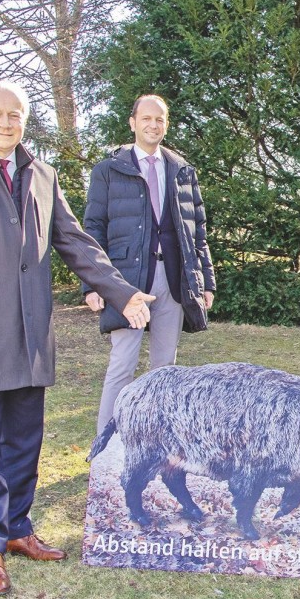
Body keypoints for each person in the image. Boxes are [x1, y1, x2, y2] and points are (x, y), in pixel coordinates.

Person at [0, 80, 155, 595]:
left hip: (32, 336)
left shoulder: (43, 175)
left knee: (25, 441)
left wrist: (122, 293)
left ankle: (18, 529)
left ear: (25, 120)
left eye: (15, 115)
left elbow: (76, 243)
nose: (6, 123)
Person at [83, 94, 216, 433]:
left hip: (171, 280)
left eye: (160, 119)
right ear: (133, 122)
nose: (153, 125)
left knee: (164, 369)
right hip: (125, 282)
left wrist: (206, 282)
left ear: (165, 124)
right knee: (122, 365)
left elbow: (197, 230)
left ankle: (157, 444)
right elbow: (93, 229)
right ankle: (106, 446)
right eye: (147, 118)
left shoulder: (182, 170)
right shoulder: (108, 170)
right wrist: (94, 284)